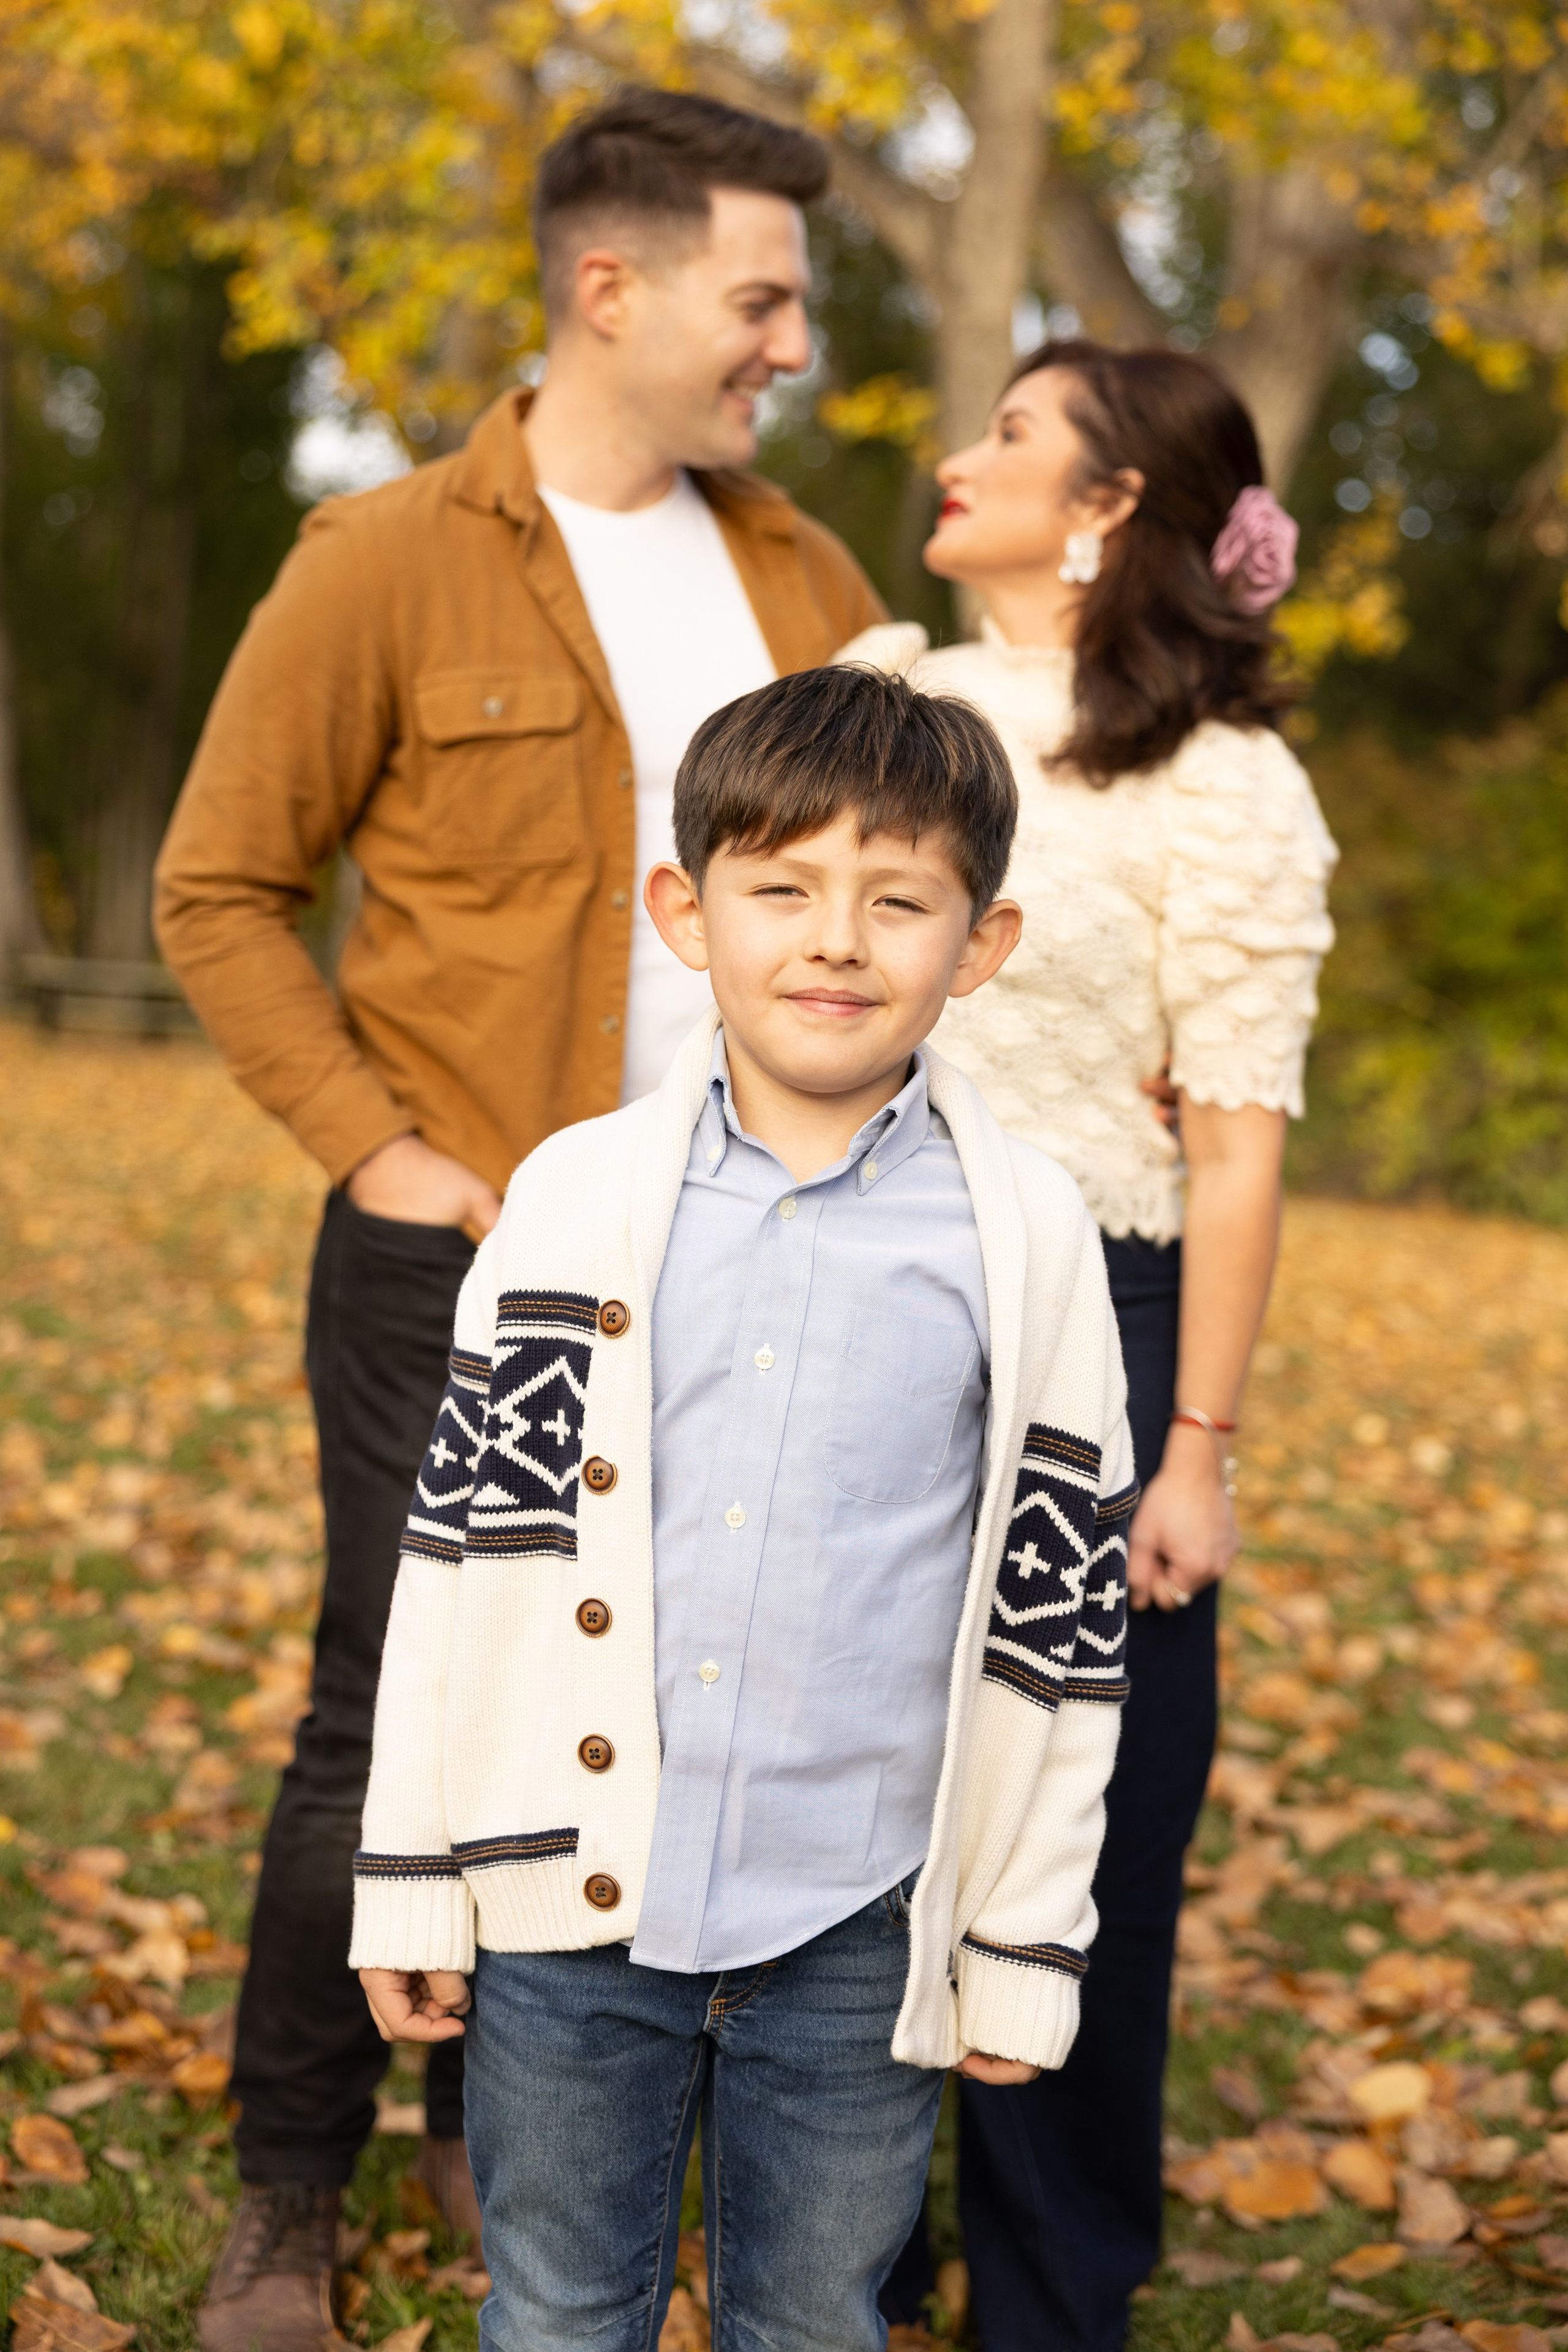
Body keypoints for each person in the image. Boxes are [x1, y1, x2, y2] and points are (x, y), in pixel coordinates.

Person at [153, 88, 888, 2352]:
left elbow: (920, 872)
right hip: (460, 1252)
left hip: (746, 1260)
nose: (790, 346)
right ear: (611, 286)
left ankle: (494, 2119)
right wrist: (378, 1151)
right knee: (396, 1701)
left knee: (624, 1702)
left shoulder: (810, 586)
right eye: (761, 297)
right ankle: (291, 2190)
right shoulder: (381, 560)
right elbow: (218, 886)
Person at [350, 660, 1139, 2352]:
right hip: (573, 1909)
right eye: (782, 888)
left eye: (898, 900)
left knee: (813, 2318)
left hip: (859, 1919)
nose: (837, 940)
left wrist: (1023, 1937)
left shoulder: (1028, 1235)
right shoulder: (573, 1201)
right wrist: (412, 1868)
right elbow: (462, 1559)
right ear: (685, 912)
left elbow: (1062, 1623)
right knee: (559, 2307)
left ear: (982, 944)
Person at [840, 341, 1336, 2352]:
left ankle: (1056, 2298)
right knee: (860, 1815)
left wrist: (1195, 1440)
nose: (959, 459)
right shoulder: (890, 702)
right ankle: (842, 2264)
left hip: (1107, 1333)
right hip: (860, 1304)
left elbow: (1233, 1145)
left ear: (1113, 503)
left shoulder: (1226, 785)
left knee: (1092, 1839)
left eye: (1013, 434)